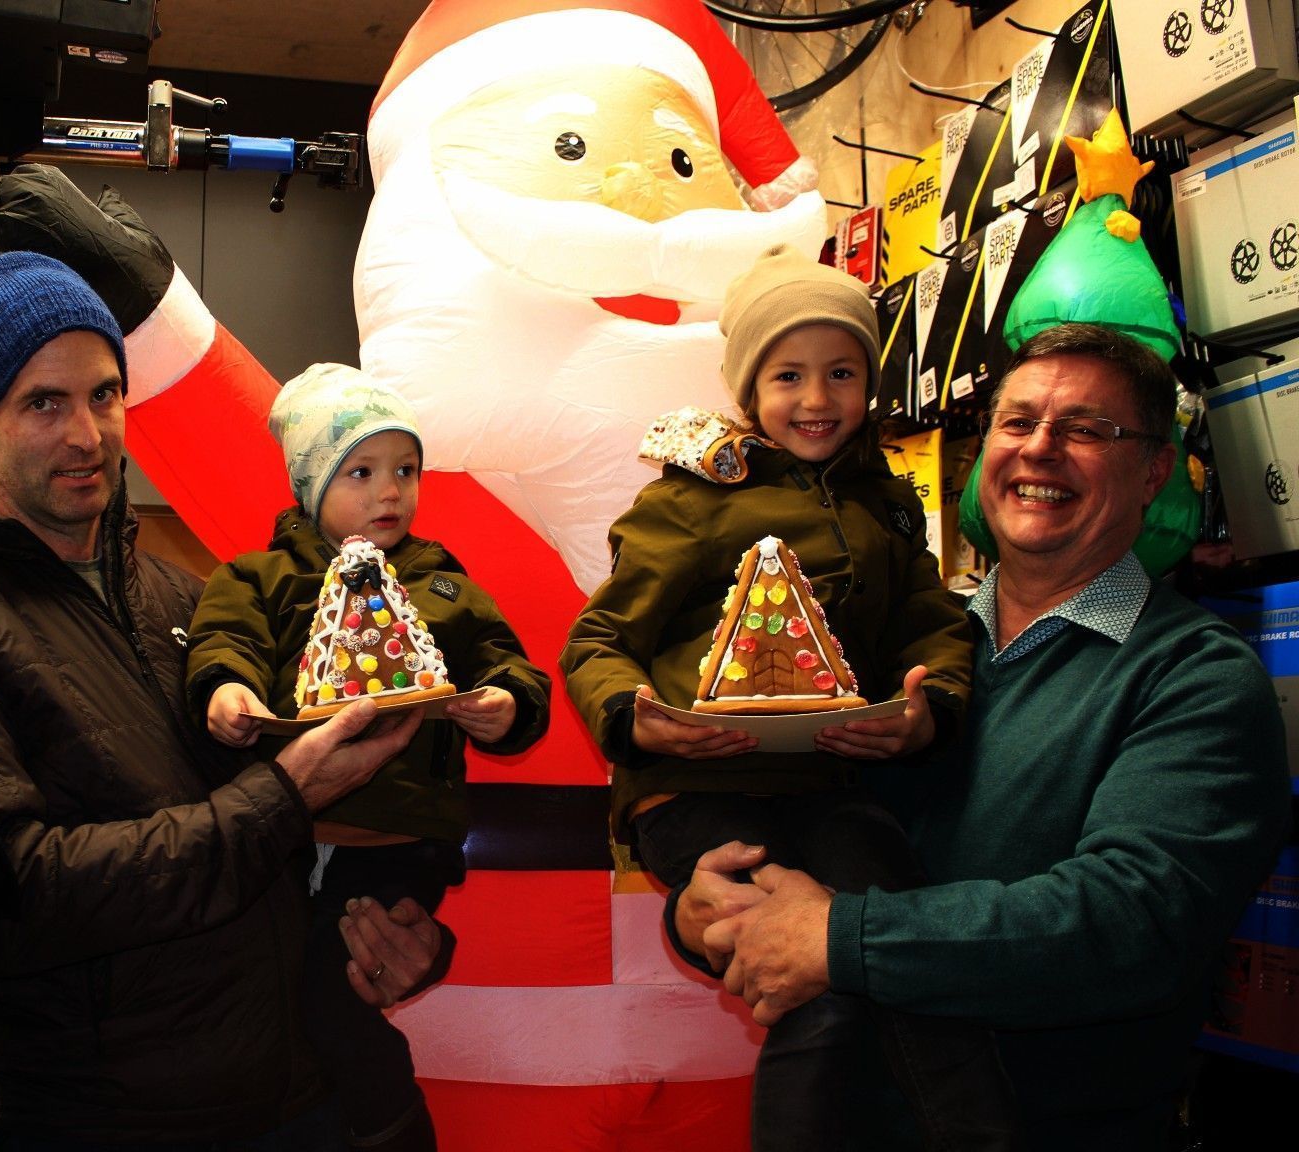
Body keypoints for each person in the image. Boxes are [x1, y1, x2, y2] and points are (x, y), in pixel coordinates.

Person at [676, 321, 1293, 1148]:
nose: (1039, 449)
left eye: (1086, 429)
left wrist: (841, 939)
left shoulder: (1194, 676)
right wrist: (704, 911)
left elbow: (1133, 922)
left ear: (1153, 472)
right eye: (1018, 421)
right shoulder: (887, 652)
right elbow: (786, 827)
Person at [0, 251, 442, 1151]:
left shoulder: (190, 600)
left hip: (305, 1096)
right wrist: (283, 795)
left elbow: (295, 855)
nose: (86, 434)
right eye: (43, 403)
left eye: (104, 395)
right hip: (114, 1122)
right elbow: (13, 894)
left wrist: (385, 934)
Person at [560, 244, 1016, 1150]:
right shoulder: (691, 499)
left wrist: (928, 710)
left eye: (841, 371)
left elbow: (931, 626)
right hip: (699, 789)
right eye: (788, 375)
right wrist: (636, 719)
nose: (817, 398)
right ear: (747, 387)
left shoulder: (886, 504)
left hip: (831, 785)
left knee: (902, 956)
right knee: (812, 990)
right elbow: (598, 640)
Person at [187, 362, 552, 1151]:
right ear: (310, 485)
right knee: (271, 1002)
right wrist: (226, 691)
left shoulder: (443, 587)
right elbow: (224, 641)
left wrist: (506, 705)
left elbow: (509, 664)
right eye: (361, 472)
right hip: (282, 841)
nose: (391, 491)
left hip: (399, 843)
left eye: (406, 470)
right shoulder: (260, 577)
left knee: (336, 999)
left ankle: (394, 1130)